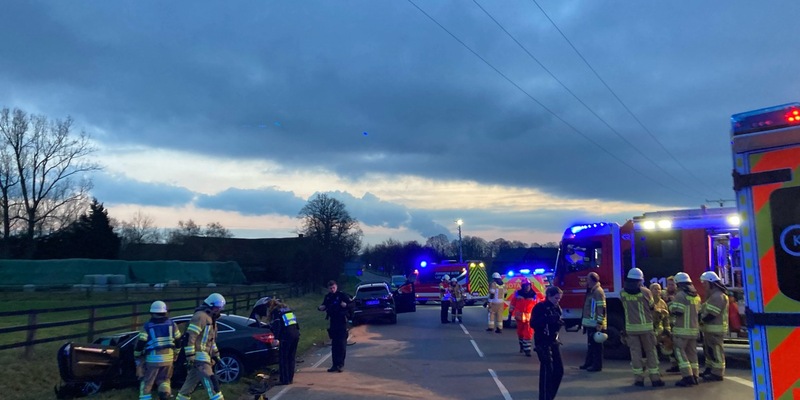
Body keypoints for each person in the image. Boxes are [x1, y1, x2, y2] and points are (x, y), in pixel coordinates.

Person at [176, 293, 226, 400]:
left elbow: (210, 342)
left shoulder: (211, 319)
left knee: (188, 386)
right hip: (200, 358)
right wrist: (190, 356)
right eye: (217, 307)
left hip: (203, 358)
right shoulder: (200, 317)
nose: (219, 310)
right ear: (210, 305)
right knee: (212, 383)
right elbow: (190, 337)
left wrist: (216, 356)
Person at [621, 268, 664, 387]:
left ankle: (638, 379)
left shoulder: (622, 293)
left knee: (635, 354)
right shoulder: (645, 292)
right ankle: (655, 379)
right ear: (640, 280)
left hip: (631, 328)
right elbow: (652, 307)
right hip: (646, 328)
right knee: (651, 352)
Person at [134, 301, 182, 400]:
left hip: (153, 359)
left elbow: (141, 342)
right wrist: (176, 353)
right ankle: (165, 396)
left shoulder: (148, 326)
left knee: (147, 382)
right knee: (165, 380)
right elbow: (178, 341)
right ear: (165, 312)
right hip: (168, 359)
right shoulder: (172, 324)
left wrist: (137, 354)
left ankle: (145, 398)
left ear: (152, 313)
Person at [531, 286, 565, 400]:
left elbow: (556, 324)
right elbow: (533, 323)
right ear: (549, 296)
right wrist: (548, 319)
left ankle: (550, 396)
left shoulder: (557, 308)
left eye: (559, 298)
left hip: (554, 341)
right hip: (543, 342)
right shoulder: (540, 307)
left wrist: (558, 323)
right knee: (547, 372)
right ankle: (545, 397)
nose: (558, 300)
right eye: (556, 298)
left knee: (559, 370)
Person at [669, 272, 701, 387]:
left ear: (678, 284)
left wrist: (671, 304)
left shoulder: (680, 295)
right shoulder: (696, 296)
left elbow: (678, 311)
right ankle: (695, 376)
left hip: (682, 331)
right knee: (692, 354)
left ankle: (687, 377)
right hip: (693, 330)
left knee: (680, 352)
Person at [699, 271, 728, 382]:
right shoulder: (713, 295)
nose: (704, 286)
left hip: (715, 329)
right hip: (710, 329)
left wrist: (701, 320)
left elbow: (712, 314)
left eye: (705, 283)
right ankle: (710, 369)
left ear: (712, 283)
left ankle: (717, 372)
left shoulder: (718, 296)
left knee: (716, 351)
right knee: (709, 350)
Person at [318, 280, 353, 373]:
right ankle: (334, 365)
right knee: (334, 345)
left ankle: (340, 365)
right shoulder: (328, 297)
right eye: (330, 288)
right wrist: (320, 307)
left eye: (333, 288)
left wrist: (346, 305)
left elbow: (352, 304)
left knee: (341, 344)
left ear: (336, 287)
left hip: (342, 322)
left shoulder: (342, 295)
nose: (332, 289)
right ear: (328, 289)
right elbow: (324, 305)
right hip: (333, 322)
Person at [268, 298, 300, 385]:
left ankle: (284, 380)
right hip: (295, 334)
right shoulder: (288, 310)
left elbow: (277, 326)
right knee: (291, 357)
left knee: (283, 358)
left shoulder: (276, 312)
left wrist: (276, 338)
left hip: (286, 336)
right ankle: (290, 378)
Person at [579, 272, 606, 372]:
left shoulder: (598, 292)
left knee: (596, 346)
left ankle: (596, 365)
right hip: (591, 322)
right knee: (591, 345)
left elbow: (601, 308)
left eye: (588, 280)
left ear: (593, 280)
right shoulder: (592, 291)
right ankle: (589, 363)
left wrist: (599, 323)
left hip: (595, 323)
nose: (587, 282)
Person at [509, 278, 538, 356]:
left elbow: (537, 306)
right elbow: (513, 303)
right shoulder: (517, 293)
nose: (527, 287)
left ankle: (527, 349)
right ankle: (522, 345)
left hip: (529, 318)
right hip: (519, 317)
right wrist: (510, 313)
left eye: (528, 285)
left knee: (528, 333)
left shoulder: (534, 295)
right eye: (525, 286)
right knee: (520, 333)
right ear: (522, 286)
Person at [649, 283, 673, 361]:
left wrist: (667, 329)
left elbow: (666, 318)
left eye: (659, 289)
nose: (657, 290)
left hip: (659, 330)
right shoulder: (648, 302)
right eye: (655, 289)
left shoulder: (663, 303)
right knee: (650, 349)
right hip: (650, 328)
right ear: (650, 291)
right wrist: (658, 311)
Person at [662, 275, 679, 373]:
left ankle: (679, 365)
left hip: (677, 324)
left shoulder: (679, 295)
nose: (670, 286)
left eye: (672, 284)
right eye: (669, 284)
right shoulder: (664, 294)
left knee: (678, 346)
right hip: (667, 324)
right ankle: (674, 365)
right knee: (669, 345)